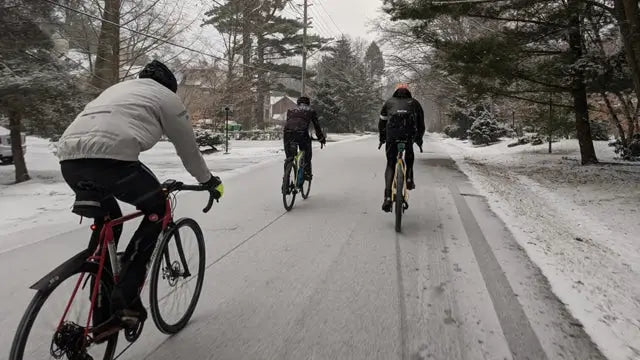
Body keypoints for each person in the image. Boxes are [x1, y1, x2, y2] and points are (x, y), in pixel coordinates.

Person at [56, 60, 223, 336]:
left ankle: (100, 308)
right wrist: (208, 181)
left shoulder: (117, 89)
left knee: (110, 222)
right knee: (158, 207)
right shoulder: (167, 98)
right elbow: (189, 150)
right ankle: (127, 298)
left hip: (69, 161)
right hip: (114, 162)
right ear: (170, 85)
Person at [378, 84, 425, 213]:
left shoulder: (389, 102)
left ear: (396, 92)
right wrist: (419, 139)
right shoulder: (414, 103)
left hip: (392, 135)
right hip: (408, 134)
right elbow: (421, 124)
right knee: (409, 151)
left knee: (390, 164)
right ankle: (409, 177)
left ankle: (387, 197)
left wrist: (382, 138)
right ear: (408, 93)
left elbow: (382, 122)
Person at [283, 96, 326, 180]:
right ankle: (307, 174)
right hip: (302, 134)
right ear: (308, 103)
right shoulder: (311, 111)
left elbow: (289, 123)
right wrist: (321, 138)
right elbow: (317, 126)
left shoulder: (291, 110)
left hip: (287, 133)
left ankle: (286, 180)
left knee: (289, 158)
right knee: (307, 155)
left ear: (298, 103)